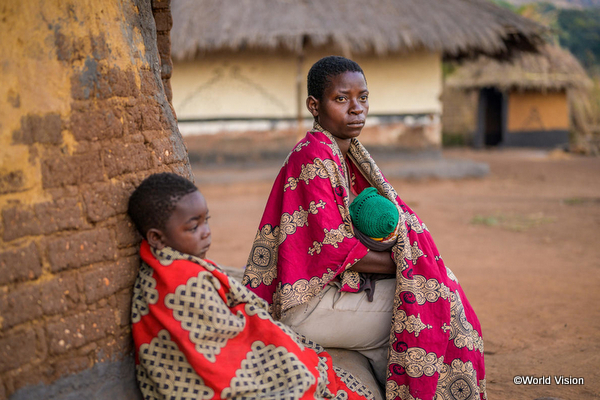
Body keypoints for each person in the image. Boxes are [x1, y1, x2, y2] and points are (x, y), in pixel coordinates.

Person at [243, 56, 487, 400]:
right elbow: (336, 250)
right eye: (342, 99)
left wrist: (421, 266)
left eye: (363, 97)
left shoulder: (345, 154)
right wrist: (414, 265)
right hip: (308, 305)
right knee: (437, 305)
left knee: (436, 290)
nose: (356, 108)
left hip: (336, 292)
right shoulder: (312, 157)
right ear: (315, 105)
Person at [127, 172, 375, 400]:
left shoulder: (176, 264)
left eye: (206, 221)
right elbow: (221, 341)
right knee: (298, 373)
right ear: (157, 238)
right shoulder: (178, 281)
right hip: (207, 379)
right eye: (193, 227)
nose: (206, 233)